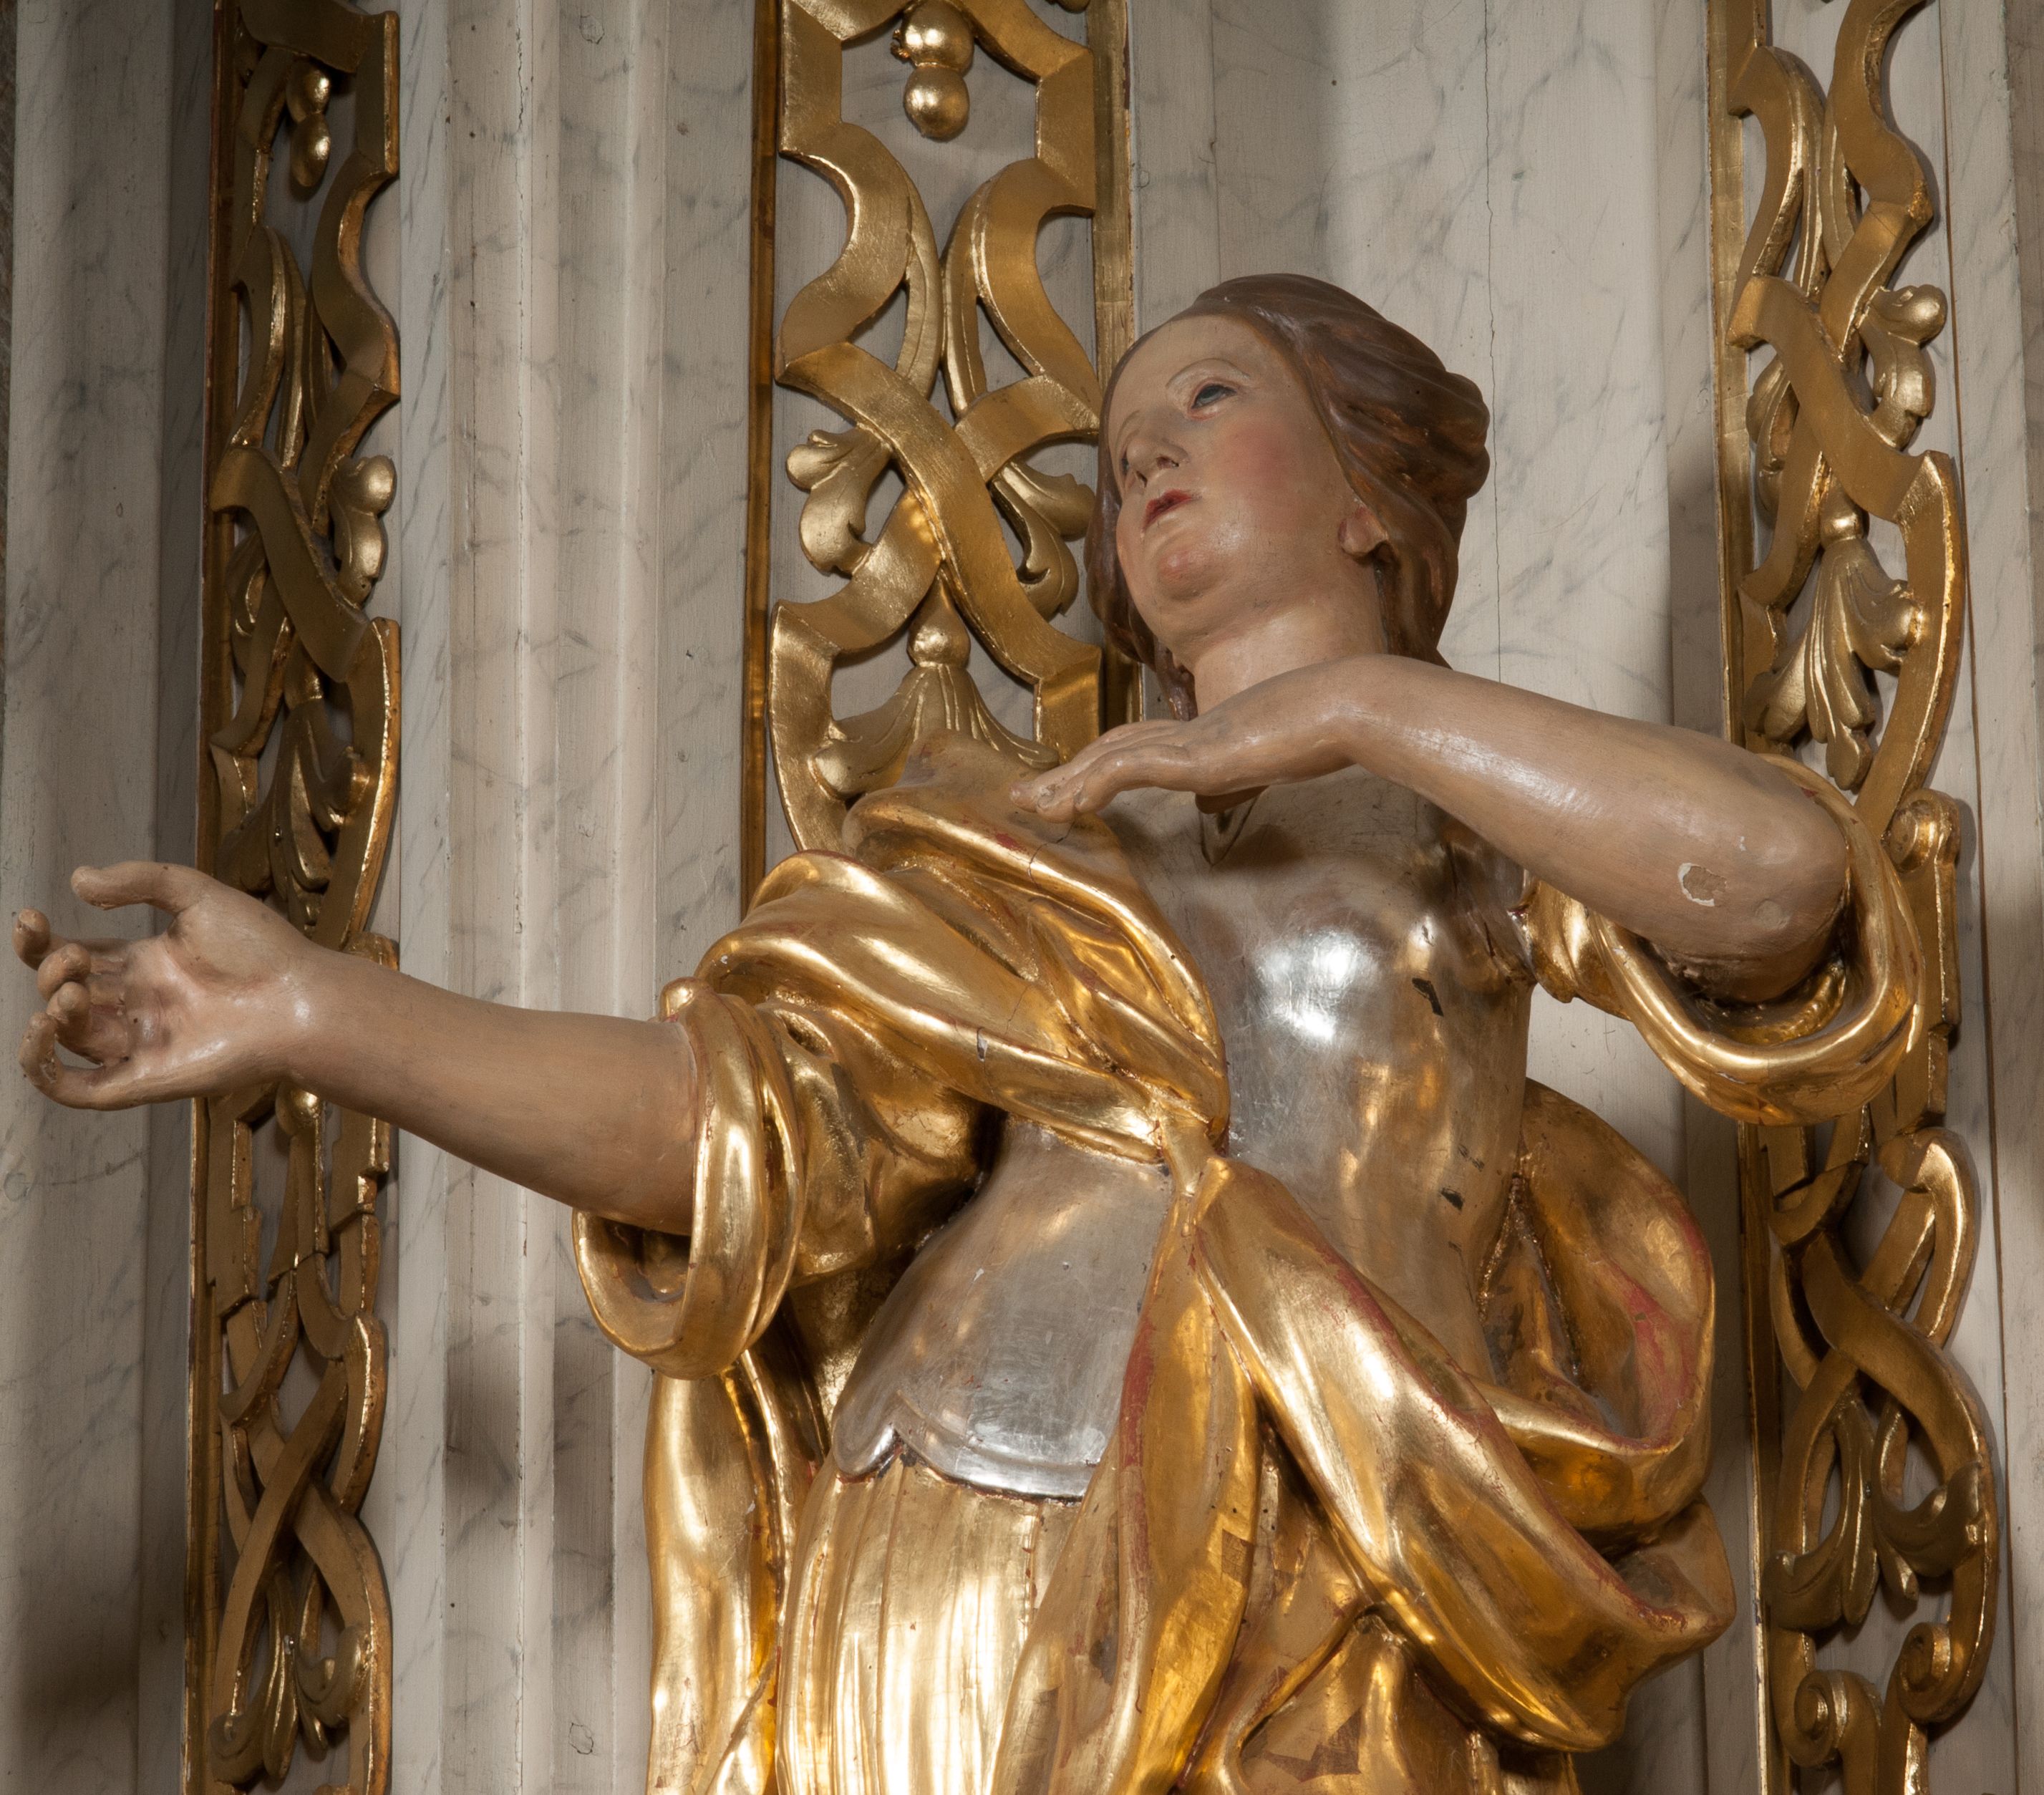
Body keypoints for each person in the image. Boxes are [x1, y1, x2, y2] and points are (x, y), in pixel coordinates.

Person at [14, 275, 1916, 1794]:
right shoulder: (1020, 839)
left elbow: (1778, 882)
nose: (1147, 452)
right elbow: (723, 1128)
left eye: (1213, 399)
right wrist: (319, 1008)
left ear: (1371, 498)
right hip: (947, 1536)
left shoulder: (1475, 815)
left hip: (1331, 1545)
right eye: (1123, 441)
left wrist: (1361, 715)